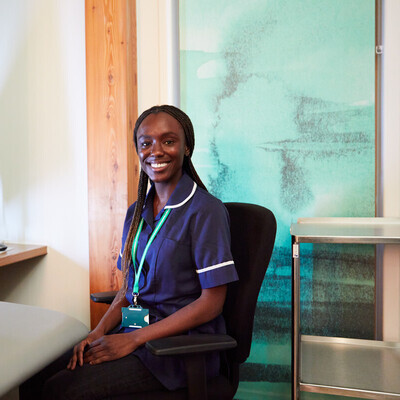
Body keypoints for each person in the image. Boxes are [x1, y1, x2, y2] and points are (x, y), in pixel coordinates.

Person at [20, 105, 238, 399]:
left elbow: (212, 303)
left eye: (168, 141)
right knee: (35, 372)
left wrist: (133, 339)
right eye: (145, 143)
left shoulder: (206, 211)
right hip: (138, 327)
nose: (155, 151)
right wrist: (98, 333)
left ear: (187, 148)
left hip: (179, 348)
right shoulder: (136, 212)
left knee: (62, 390)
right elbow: (128, 288)